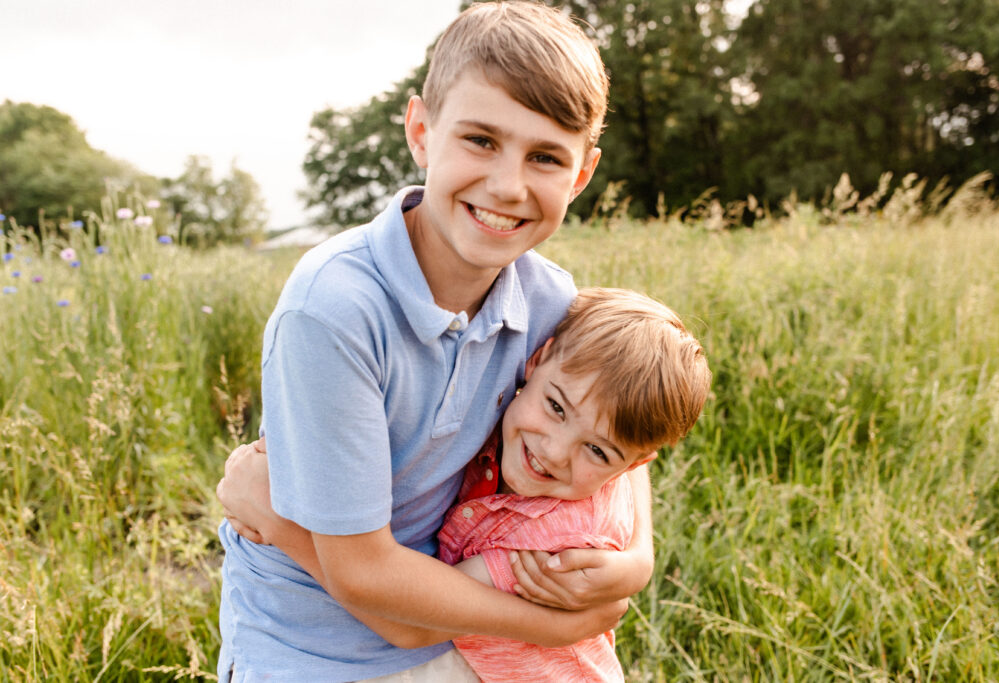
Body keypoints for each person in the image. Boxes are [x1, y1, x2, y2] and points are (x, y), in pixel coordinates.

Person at [216, 3, 657, 681]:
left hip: (451, 626)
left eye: (545, 157)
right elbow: (366, 579)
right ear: (422, 131)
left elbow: (620, 420)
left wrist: (638, 559)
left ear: (581, 174)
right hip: (311, 649)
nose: (508, 185)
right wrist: (566, 622)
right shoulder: (334, 310)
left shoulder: (547, 299)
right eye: (480, 139)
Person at [223, 287, 712, 681]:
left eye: (597, 451)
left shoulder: (554, 546)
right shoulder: (568, 417)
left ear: (627, 464)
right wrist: (639, 558)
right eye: (556, 408)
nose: (554, 451)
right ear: (536, 360)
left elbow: (411, 623)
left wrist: (281, 524)